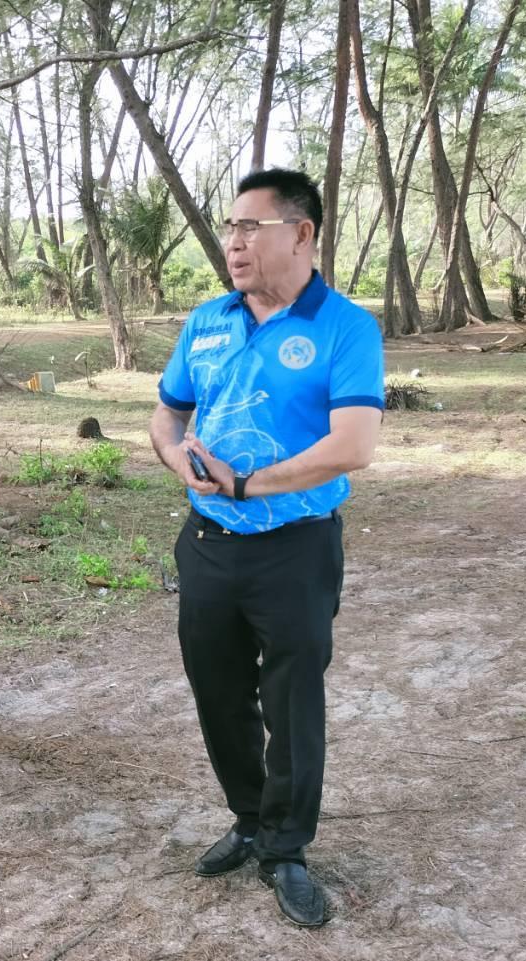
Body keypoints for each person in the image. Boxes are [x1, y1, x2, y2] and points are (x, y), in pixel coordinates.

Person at [148, 168, 383, 927]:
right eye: (230, 228)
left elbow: (353, 445)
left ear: (302, 234)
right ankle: (249, 819)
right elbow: (167, 415)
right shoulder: (207, 321)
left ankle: (287, 846)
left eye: (251, 227)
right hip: (208, 544)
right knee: (217, 692)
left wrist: (250, 484)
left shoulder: (345, 328)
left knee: (292, 699)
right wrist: (176, 457)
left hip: (297, 547)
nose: (235, 242)